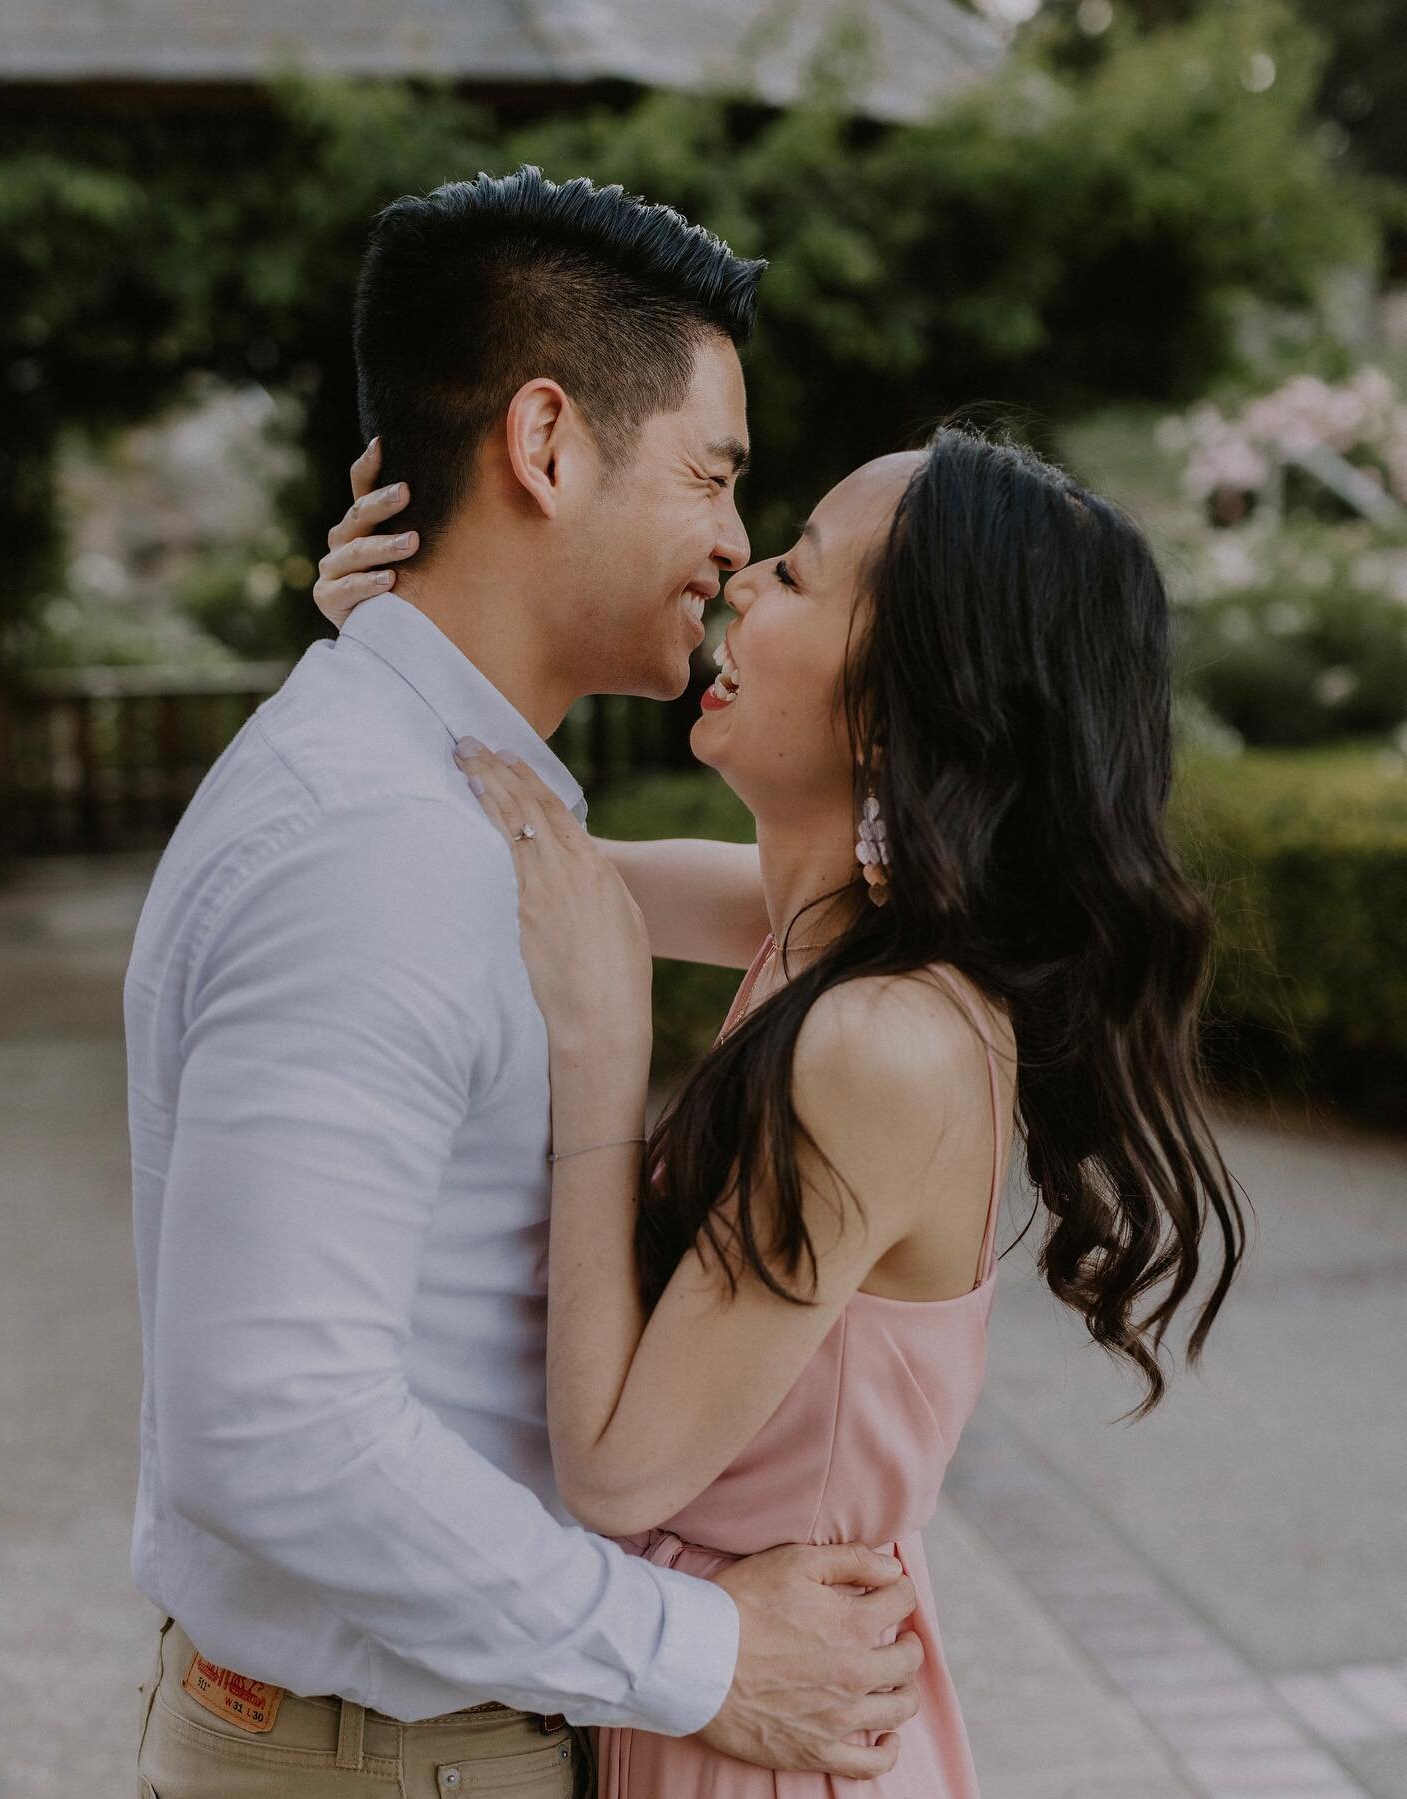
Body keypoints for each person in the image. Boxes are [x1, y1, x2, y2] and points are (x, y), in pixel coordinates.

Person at [127, 168, 924, 1799]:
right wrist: (703, 1657)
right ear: (546, 443)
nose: (729, 546)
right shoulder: (382, 840)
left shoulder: (450, 793)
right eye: (717, 479)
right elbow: (273, 1424)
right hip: (392, 1756)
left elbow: (824, 897)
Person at [316, 421, 1246, 1798]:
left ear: (903, 701)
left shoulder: (884, 1043)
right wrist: (395, 655)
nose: (744, 576)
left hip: (760, 1748)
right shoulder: (824, 934)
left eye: (803, 574)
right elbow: (504, 854)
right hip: (715, 1692)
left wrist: (601, 1048)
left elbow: (621, 1473)